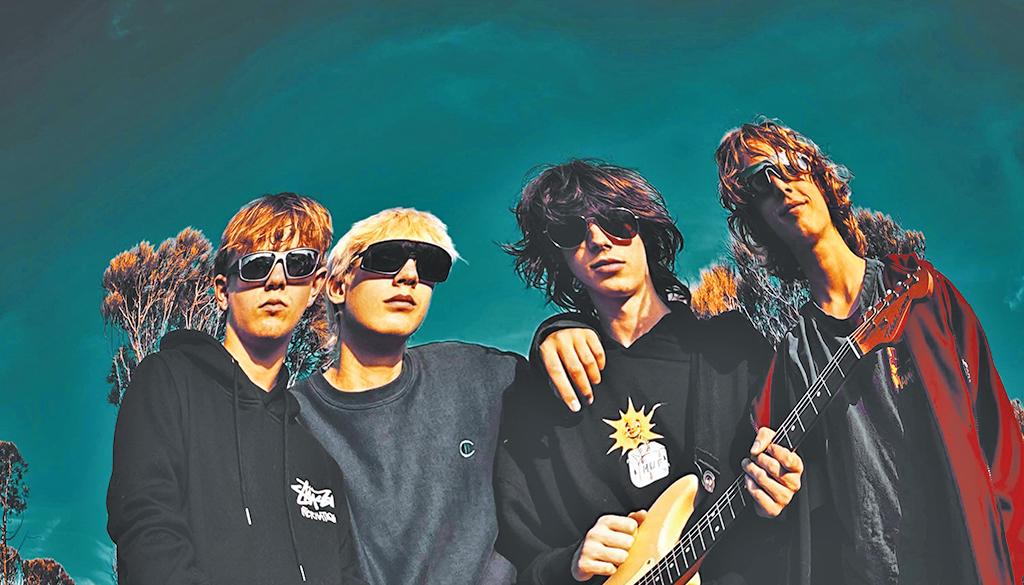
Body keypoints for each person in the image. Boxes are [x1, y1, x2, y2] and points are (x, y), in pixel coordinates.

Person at [715, 118, 1023, 585]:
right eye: (760, 180)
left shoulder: (922, 291)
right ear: (756, 217)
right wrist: (766, 486)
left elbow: (1003, 446)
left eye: (791, 164)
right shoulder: (791, 356)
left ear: (818, 175)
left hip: (968, 564)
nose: (781, 184)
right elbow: (770, 496)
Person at [496, 160, 803, 585]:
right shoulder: (546, 397)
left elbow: (813, 483)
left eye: (617, 222)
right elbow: (519, 560)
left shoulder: (732, 351)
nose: (598, 240)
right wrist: (569, 563)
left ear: (645, 230)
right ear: (558, 257)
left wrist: (784, 496)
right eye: (570, 232)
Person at [292, 207, 580, 585]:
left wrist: (562, 328)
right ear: (337, 286)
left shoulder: (478, 375)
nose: (409, 275)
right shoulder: (289, 420)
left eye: (429, 265)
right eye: (386, 258)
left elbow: (584, 415)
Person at [107, 193, 364, 584]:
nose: (276, 280)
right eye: (257, 265)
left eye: (297, 263)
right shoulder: (167, 383)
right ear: (222, 290)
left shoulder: (320, 458)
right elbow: (146, 532)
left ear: (314, 287)